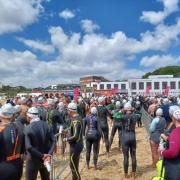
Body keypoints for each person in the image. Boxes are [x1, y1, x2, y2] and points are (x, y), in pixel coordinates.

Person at [25, 107, 55, 180]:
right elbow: (54, 141)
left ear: (29, 117)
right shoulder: (47, 125)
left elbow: (28, 147)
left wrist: (42, 155)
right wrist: (49, 154)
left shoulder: (27, 128)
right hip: (46, 159)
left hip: (33, 159)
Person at [0, 103, 24, 180]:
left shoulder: (1, 130)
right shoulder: (20, 127)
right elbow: (23, 150)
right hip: (18, 165)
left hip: (3, 166)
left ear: (1, 116)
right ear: (13, 116)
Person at [63, 102, 83, 180]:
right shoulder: (77, 118)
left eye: (68, 110)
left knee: (73, 167)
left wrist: (66, 139)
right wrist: (67, 130)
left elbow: (75, 136)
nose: (67, 112)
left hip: (76, 146)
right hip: (77, 145)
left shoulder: (76, 120)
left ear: (71, 111)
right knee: (74, 166)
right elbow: (73, 130)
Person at [160, 109, 180, 180]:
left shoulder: (176, 131)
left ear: (174, 118)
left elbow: (173, 152)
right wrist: (168, 139)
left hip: (175, 170)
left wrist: (162, 152)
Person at [121, 103, 137, 180]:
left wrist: (122, 111)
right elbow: (139, 113)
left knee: (126, 157)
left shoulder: (122, 116)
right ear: (130, 109)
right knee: (133, 156)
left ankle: (126, 175)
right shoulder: (135, 115)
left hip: (125, 137)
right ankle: (133, 175)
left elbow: (113, 115)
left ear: (125, 109)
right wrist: (133, 110)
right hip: (132, 136)